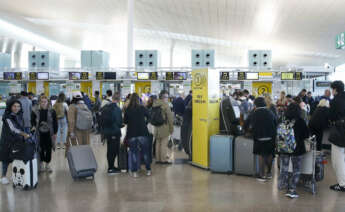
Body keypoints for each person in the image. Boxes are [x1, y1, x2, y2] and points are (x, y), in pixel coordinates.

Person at [278, 103, 309, 198]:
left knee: (284, 167)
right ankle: (292, 189)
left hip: (284, 148)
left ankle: (282, 185)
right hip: (297, 149)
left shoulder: (282, 120)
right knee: (296, 169)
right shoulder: (301, 121)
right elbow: (306, 136)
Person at [244, 97, 277, 181]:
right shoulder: (270, 112)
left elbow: (246, 124)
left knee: (261, 155)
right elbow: (276, 122)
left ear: (255, 104)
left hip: (259, 137)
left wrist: (247, 131)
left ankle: (262, 175)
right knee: (269, 154)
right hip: (271, 137)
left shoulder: (254, 113)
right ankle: (269, 173)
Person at [0, 100, 29, 185]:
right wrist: (24, 134)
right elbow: (12, 129)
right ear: (10, 107)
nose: (16, 108)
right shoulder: (7, 117)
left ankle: (14, 175)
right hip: (7, 141)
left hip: (16, 140)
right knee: (5, 159)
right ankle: (3, 177)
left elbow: (21, 126)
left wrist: (26, 132)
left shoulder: (19, 115)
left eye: (18, 106)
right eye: (14, 106)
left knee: (15, 158)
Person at [124, 93, 151, 177]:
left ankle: (135, 172)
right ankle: (148, 170)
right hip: (143, 132)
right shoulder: (142, 108)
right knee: (145, 152)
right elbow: (149, 116)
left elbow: (125, 121)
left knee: (134, 152)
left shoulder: (128, 109)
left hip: (132, 133)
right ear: (138, 100)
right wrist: (145, 123)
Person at [31, 96, 58, 172]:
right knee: (40, 149)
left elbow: (55, 122)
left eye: (45, 101)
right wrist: (33, 127)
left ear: (48, 102)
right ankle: (41, 164)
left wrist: (55, 132)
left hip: (49, 133)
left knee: (49, 149)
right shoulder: (35, 110)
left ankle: (47, 164)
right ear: (39, 102)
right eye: (42, 101)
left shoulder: (52, 111)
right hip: (39, 133)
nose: (43, 103)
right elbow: (32, 121)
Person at [100, 93, 123, 175]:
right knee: (114, 150)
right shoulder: (117, 109)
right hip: (114, 132)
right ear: (119, 99)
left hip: (107, 132)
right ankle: (111, 168)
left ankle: (111, 166)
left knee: (110, 150)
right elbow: (119, 123)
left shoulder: (106, 107)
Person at [328, 81, 345, 192]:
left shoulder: (335, 100)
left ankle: (342, 184)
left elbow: (331, 116)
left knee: (337, 159)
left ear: (335, 89)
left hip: (339, 131)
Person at [153, 90, 174, 164]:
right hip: (164, 127)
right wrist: (171, 129)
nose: (167, 99)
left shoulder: (155, 103)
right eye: (167, 97)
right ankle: (163, 160)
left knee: (158, 143)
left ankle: (158, 159)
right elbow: (170, 118)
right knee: (164, 144)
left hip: (156, 127)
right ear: (163, 97)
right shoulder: (165, 105)